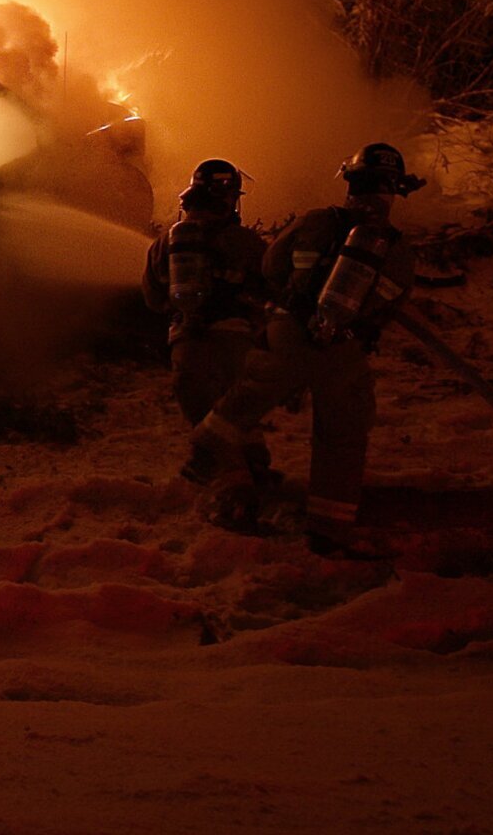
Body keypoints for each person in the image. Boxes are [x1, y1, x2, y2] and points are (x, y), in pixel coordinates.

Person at [183, 143, 424, 558]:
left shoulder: (316, 222)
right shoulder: (397, 251)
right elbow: (387, 305)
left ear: (349, 183)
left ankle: (204, 455)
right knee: (342, 434)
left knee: (247, 394)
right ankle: (328, 529)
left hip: (287, 332)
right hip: (341, 351)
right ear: (393, 191)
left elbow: (272, 266)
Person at [141, 159, 271, 477]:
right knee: (236, 406)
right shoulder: (246, 242)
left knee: (202, 404)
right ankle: (244, 467)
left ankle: (228, 466)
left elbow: (153, 297)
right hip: (236, 336)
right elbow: (272, 284)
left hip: (185, 338)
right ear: (230, 197)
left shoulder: (167, 241)